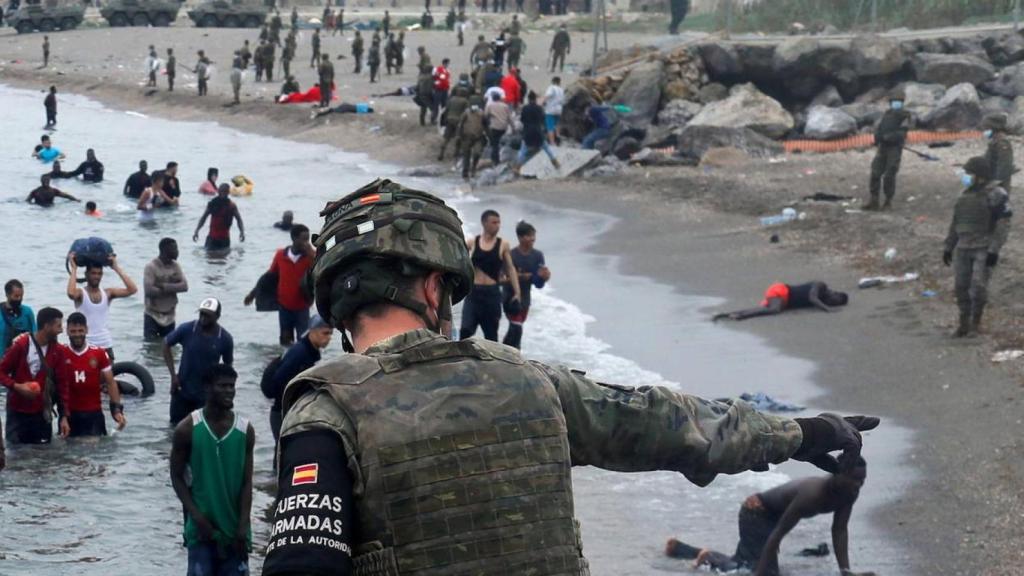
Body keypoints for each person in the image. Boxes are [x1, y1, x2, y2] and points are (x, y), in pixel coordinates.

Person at [259, 181, 878, 576]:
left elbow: (301, 563)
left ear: (338, 302)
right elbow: (679, 426)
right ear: (430, 285)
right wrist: (801, 432)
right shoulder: (535, 384)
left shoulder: (324, 414)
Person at [666, 454, 874, 576]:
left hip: (771, 518)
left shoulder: (848, 493)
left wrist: (845, 571)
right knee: (757, 571)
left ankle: (685, 550)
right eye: (854, 479)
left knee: (748, 564)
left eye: (862, 481)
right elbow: (777, 534)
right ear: (837, 473)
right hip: (755, 512)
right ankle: (709, 558)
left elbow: (839, 531)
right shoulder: (813, 494)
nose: (858, 485)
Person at [170, 364, 254, 576]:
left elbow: (247, 482)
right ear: (207, 387)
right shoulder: (187, 429)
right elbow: (177, 477)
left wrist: (243, 527)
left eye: (232, 386)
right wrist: (196, 517)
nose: (229, 391)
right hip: (201, 531)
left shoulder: (245, 430)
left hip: (235, 530)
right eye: (222, 386)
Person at [943, 156, 1012, 337]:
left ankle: (976, 323)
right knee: (960, 286)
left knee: (978, 285)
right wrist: (948, 246)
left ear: (980, 176)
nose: (966, 176)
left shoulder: (997, 194)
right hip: (963, 246)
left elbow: (1003, 224)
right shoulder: (964, 195)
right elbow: (956, 222)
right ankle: (963, 323)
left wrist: (994, 250)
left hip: (983, 246)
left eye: (969, 173)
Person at [0, 307, 69, 444]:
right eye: (58, 326)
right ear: (47, 326)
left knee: (43, 458)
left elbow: (63, 385)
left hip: (41, 414)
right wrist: (17, 386)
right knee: (16, 456)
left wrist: (64, 417)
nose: (61, 330)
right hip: (17, 413)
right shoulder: (21, 345)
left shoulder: (58, 351)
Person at [262, 314, 332, 442]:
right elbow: (279, 380)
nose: (329, 338)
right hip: (282, 413)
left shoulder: (308, 351)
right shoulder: (300, 353)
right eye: (325, 333)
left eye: (330, 334)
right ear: (312, 331)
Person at [164, 298, 234, 424]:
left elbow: (228, 369)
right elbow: (166, 344)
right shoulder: (187, 329)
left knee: (202, 428)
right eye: (201, 314)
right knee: (175, 427)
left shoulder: (224, 338)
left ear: (217, 316)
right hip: (182, 390)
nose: (203, 318)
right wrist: (173, 376)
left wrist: (222, 392)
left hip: (206, 395)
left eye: (207, 315)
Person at [245, 225, 314, 346]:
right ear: (293, 238)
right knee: (285, 342)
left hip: (302, 307)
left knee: (304, 342)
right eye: (303, 239)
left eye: (308, 239)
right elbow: (268, 277)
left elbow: (322, 268)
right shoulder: (280, 255)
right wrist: (252, 294)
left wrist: (312, 254)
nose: (306, 243)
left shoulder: (310, 257)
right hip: (284, 307)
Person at [460, 210, 521, 341]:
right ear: (484, 223)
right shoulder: (472, 242)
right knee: (465, 330)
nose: (497, 225)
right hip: (473, 294)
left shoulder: (503, 245)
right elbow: (458, 261)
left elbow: (510, 269)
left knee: (491, 336)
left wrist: (517, 292)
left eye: (499, 222)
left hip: (491, 295)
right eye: (494, 222)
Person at [63, 312, 126, 437]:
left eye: (80, 330)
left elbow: (111, 382)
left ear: (87, 330)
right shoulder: (61, 353)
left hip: (93, 414)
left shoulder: (99, 353)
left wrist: (116, 410)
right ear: (67, 331)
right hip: (70, 415)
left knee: (94, 452)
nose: (77, 334)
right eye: (73, 331)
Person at [67, 254, 138, 360]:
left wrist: (116, 268)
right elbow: (71, 293)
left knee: (110, 375)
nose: (96, 276)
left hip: (105, 344)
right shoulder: (81, 293)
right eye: (93, 273)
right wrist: (74, 269)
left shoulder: (108, 293)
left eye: (99, 274)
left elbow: (132, 289)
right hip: (87, 345)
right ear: (86, 274)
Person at [501, 221, 550, 348]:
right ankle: (515, 356)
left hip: (525, 300)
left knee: (515, 329)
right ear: (520, 237)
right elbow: (501, 279)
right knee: (517, 329)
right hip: (509, 298)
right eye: (529, 235)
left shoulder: (538, 256)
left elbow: (538, 284)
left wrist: (544, 278)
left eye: (533, 235)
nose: (533, 238)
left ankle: (504, 352)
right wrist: (520, 276)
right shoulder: (511, 255)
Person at [864, 88, 911, 211]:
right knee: (875, 173)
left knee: (889, 175)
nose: (896, 103)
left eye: (898, 101)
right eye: (894, 101)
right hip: (882, 148)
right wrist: (877, 138)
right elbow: (880, 129)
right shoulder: (887, 114)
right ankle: (873, 200)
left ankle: (888, 201)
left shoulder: (905, 116)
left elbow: (902, 133)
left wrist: (889, 137)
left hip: (894, 149)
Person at [712, 281, 849, 322]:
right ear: (835, 293)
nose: (833, 302)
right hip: (781, 290)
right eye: (835, 300)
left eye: (834, 304)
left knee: (769, 309)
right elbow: (812, 297)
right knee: (773, 310)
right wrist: (827, 309)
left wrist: (826, 306)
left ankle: (730, 314)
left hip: (783, 301)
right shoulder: (821, 286)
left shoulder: (821, 299)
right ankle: (741, 316)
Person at [144, 238, 189, 340]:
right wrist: (174, 287)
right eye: (174, 249)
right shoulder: (151, 267)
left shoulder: (175, 266)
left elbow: (185, 286)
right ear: (165, 250)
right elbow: (149, 290)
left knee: (169, 346)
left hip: (170, 316)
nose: (177, 251)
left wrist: (164, 286)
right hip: (152, 315)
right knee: (151, 347)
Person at [194, 184, 246, 253]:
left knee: (222, 260)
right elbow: (204, 218)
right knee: (210, 260)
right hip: (212, 239)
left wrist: (242, 232)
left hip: (224, 240)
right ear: (218, 192)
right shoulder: (213, 204)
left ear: (228, 193)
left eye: (225, 192)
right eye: (222, 192)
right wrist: (197, 230)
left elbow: (239, 220)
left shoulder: (231, 206)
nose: (223, 194)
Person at [517, 91, 560, 171]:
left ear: (528, 99)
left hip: (527, 132)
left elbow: (522, 120)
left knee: (523, 150)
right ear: (535, 99)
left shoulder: (525, 108)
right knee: (546, 148)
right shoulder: (539, 108)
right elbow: (543, 119)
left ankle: (518, 167)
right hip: (538, 131)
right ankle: (555, 163)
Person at [1, 280, 36, 360]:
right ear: (7, 295)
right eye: (16, 296)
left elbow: (35, 335)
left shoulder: (27, 312)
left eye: (21, 296)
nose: (19, 299)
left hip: (22, 360)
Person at [437, 78, 469, 161]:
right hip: (459, 121)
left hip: (449, 120)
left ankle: (441, 153)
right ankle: (456, 153)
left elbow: (446, 110)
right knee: (459, 137)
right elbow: (466, 112)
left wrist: (443, 121)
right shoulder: (465, 101)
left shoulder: (451, 100)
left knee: (446, 137)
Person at [983, 113, 1014, 191]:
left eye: (986, 128)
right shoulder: (994, 142)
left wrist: (996, 183)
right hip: (992, 181)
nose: (984, 131)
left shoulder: (1002, 144)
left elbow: (1005, 165)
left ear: (994, 128)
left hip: (999, 187)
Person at [457, 102, 486, 179]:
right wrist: (459, 135)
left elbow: (485, 124)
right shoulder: (466, 113)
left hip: (478, 137)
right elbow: (460, 124)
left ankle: (473, 168)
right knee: (466, 155)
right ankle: (465, 172)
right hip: (466, 137)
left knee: (477, 153)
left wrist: (488, 135)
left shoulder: (481, 114)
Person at [484, 91, 512, 166]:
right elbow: (509, 118)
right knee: (499, 142)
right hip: (503, 127)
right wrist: (513, 127)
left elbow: (486, 116)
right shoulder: (505, 106)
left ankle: (495, 160)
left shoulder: (490, 106)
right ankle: (498, 158)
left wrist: (485, 126)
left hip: (494, 127)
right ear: (500, 99)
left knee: (494, 144)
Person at [544, 76, 564, 144]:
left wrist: (540, 102)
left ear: (553, 82)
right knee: (557, 125)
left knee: (550, 127)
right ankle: (558, 138)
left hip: (551, 110)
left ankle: (552, 143)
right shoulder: (561, 90)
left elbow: (548, 95)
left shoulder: (551, 87)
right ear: (559, 82)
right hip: (559, 110)